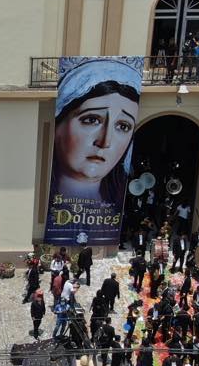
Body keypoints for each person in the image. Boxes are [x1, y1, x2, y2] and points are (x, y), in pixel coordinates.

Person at [44, 57, 143, 243]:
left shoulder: (113, 210)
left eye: (122, 126)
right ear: (58, 123)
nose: (105, 141)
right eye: (91, 120)